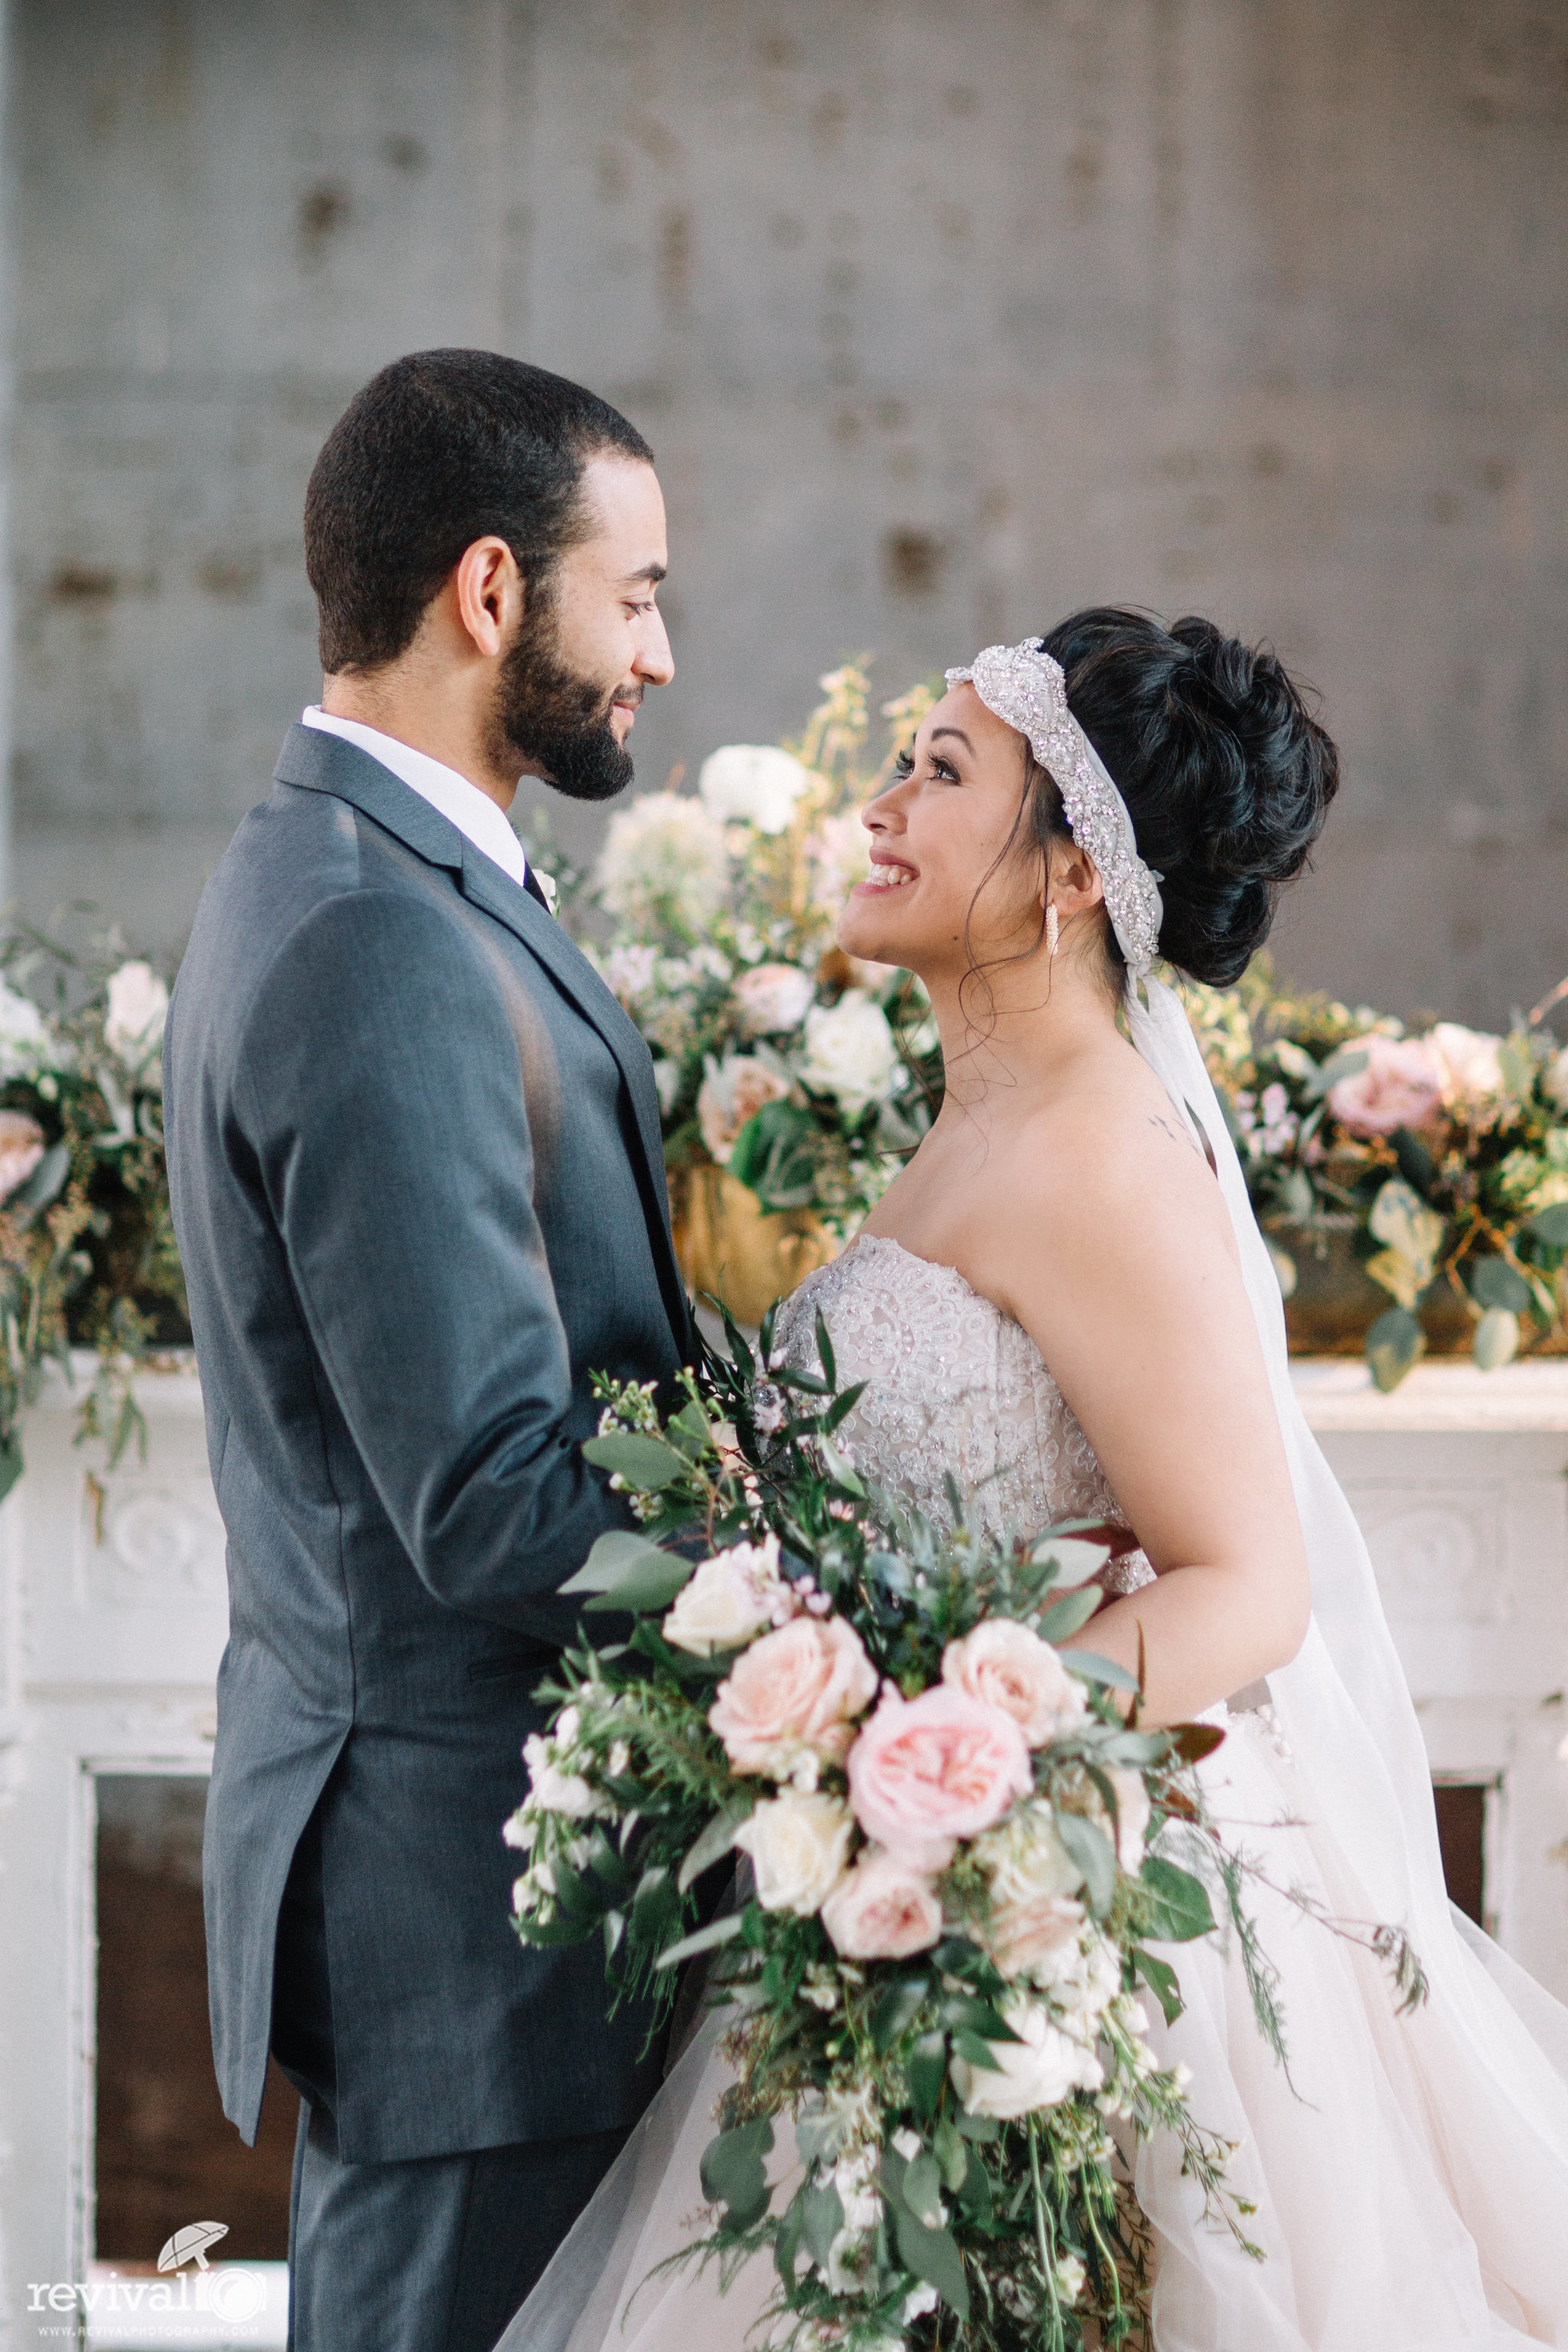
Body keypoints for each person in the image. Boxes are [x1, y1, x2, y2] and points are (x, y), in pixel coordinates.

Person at [502, 616, 1568, 2351]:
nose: (878, 805)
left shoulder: (1095, 1152)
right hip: (918, 1878)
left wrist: (954, 1760)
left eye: (938, 773)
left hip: (1075, 1915)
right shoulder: (979, 1119)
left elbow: (1246, 1583)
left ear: (1075, 867)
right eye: (899, 762)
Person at [163, 350, 691, 2352]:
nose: (655, 652)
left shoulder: (364, 869)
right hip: (469, 1913)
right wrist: (808, 1554)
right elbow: (487, 1501)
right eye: (632, 594)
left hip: (470, 1886)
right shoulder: (378, 933)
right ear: (494, 593)